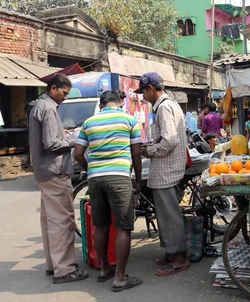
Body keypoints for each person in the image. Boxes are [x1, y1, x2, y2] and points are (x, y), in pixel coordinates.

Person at [74, 90, 143, 292]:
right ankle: (120, 278)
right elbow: (136, 152)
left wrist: (90, 170)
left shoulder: (88, 123)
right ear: (120, 102)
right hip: (119, 177)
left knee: (101, 225)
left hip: (95, 180)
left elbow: (78, 153)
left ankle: (105, 269)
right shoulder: (129, 120)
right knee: (123, 227)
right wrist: (138, 181)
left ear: (101, 103)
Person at [28, 73, 88, 284]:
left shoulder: (39, 106)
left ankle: (54, 265)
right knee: (63, 222)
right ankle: (65, 270)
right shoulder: (48, 108)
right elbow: (52, 144)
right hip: (55, 171)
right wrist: (75, 142)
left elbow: (50, 137)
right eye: (64, 93)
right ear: (53, 89)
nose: (65, 98)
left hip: (44, 172)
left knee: (50, 221)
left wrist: (64, 134)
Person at [135, 72, 189, 276]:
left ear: (151, 89)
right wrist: (151, 145)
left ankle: (179, 258)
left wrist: (148, 150)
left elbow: (170, 141)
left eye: (143, 92)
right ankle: (171, 251)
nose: (143, 96)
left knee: (169, 215)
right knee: (164, 215)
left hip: (167, 170)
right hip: (167, 169)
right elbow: (165, 139)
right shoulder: (168, 105)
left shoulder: (165, 107)